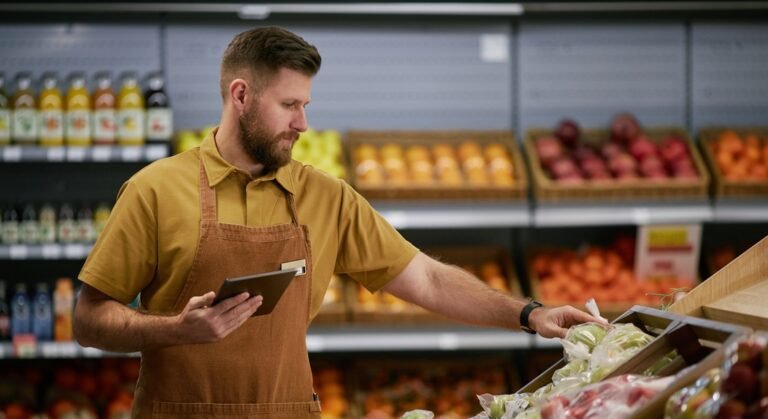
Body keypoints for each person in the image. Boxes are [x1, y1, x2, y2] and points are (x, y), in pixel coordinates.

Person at [73, 26, 605, 419]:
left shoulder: (324, 196)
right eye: (288, 105)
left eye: (305, 105)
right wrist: (175, 329)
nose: (303, 123)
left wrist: (529, 313)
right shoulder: (155, 190)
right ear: (240, 96)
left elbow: (426, 277)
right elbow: (88, 319)